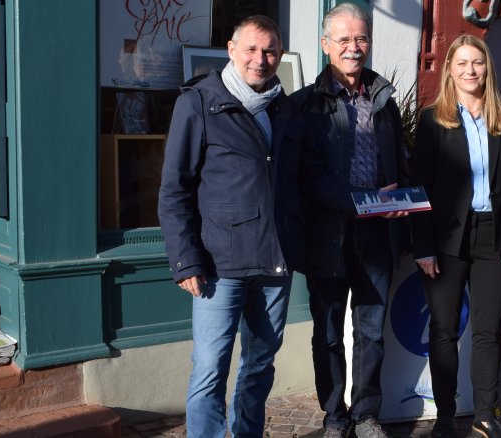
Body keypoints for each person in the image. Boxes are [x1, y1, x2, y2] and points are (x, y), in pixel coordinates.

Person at [157, 15, 306, 438]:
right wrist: (185, 260)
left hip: (275, 262)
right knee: (209, 369)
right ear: (231, 49)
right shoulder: (200, 102)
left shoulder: (286, 108)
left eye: (271, 50)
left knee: (260, 365)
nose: (261, 59)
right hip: (218, 265)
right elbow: (174, 190)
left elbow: (299, 183)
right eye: (252, 49)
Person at [290, 3, 408, 438]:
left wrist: (404, 202)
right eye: (343, 40)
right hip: (328, 234)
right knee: (327, 332)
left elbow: (398, 163)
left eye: (360, 39)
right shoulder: (306, 105)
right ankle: (334, 415)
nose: (353, 48)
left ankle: (365, 414)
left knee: (372, 330)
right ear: (325, 45)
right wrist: (360, 201)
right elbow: (307, 177)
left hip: (378, 233)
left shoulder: (385, 100)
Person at [411, 34, 501, 438]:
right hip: (446, 238)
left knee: (487, 328)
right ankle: (445, 416)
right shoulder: (433, 119)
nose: (470, 71)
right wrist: (423, 246)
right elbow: (420, 186)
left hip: (494, 236)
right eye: (461, 63)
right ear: (450, 70)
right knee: (443, 329)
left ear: (487, 67)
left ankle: (484, 413)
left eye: (477, 62)